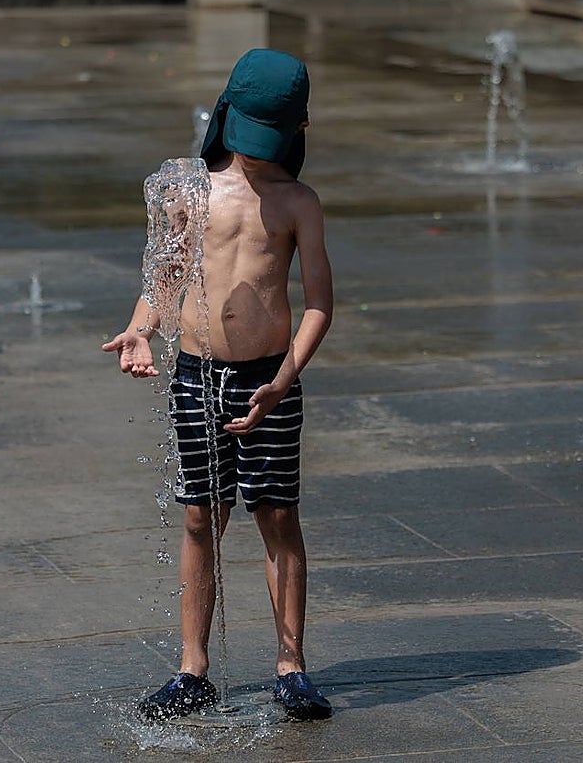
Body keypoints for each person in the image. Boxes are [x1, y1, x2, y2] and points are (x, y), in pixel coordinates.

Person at [102, 48, 335, 722]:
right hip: (198, 378)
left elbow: (318, 302)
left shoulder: (297, 203)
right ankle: (192, 669)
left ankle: (291, 666)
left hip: (271, 381)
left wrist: (286, 377)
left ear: (299, 130)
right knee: (203, 516)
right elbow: (165, 279)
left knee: (277, 515)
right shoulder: (190, 192)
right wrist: (140, 328)